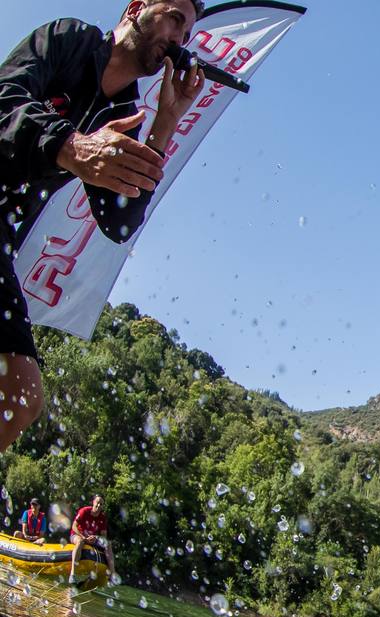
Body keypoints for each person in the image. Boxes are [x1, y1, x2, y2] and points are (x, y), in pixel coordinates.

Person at [0, 1, 206, 452]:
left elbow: (119, 220)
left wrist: (164, 126)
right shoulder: (68, 39)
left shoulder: (126, 113)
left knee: (22, 394)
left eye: (187, 33)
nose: (179, 38)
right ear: (136, 8)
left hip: (2, 241)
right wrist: (72, 146)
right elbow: (3, 102)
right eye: (174, 18)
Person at [70, 493, 115, 582]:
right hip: (78, 535)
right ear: (93, 502)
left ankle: (112, 574)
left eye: (101, 504)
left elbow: (103, 536)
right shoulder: (84, 511)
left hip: (92, 538)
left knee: (108, 544)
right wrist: (83, 537)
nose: (99, 505)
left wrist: (95, 537)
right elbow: (74, 526)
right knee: (80, 541)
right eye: (97, 502)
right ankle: (72, 574)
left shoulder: (102, 517)